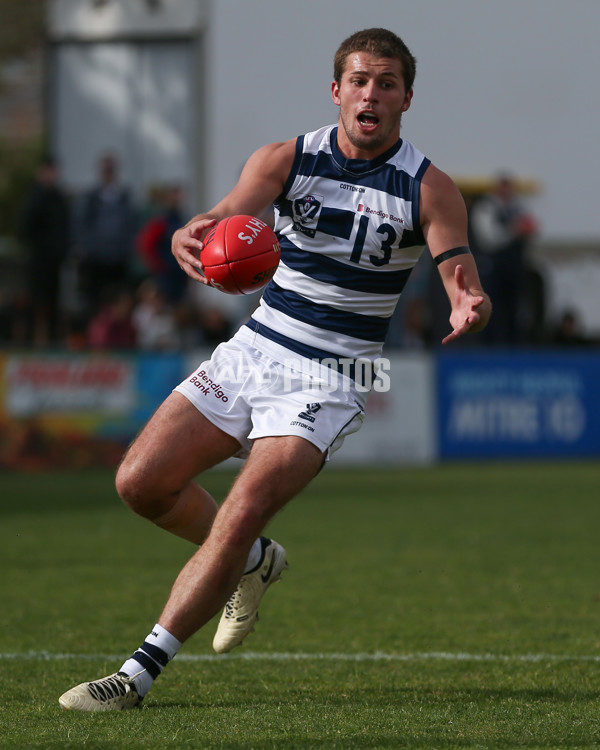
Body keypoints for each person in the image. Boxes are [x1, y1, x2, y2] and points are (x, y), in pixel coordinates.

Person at [59, 27, 491, 711]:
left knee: (240, 509)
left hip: (333, 377)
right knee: (140, 483)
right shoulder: (286, 160)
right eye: (358, 80)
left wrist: (470, 301)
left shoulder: (429, 188)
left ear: (407, 97)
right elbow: (223, 218)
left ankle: (136, 676)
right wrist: (189, 233)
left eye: (385, 83)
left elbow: (459, 273)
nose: (370, 94)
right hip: (255, 350)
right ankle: (256, 562)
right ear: (337, 90)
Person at [469, 173, 537, 346]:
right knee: (494, 308)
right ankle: (492, 346)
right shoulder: (486, 208)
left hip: (514, 267)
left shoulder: (518, 207)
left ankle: (514, 345)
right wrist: (514, 231)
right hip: (494, 266)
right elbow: (488, 238)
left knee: (515, 308)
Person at [74, 151, 137, 318]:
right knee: (94, 301)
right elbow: (81, 226)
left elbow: (130, 226)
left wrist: (125, 249)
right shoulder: (90, 197)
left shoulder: (124, 197)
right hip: (96, 259)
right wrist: (89, 248)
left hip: (118, 259)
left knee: (118, 301)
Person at [19, 155, 71, 346]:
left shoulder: (59, 197)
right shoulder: (34, 197)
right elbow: (26, 229)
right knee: (36, 303)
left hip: (56, 261)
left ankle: (53, 341)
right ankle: (31, 342)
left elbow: (66, 228)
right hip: (38, 261)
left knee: (54, 303)